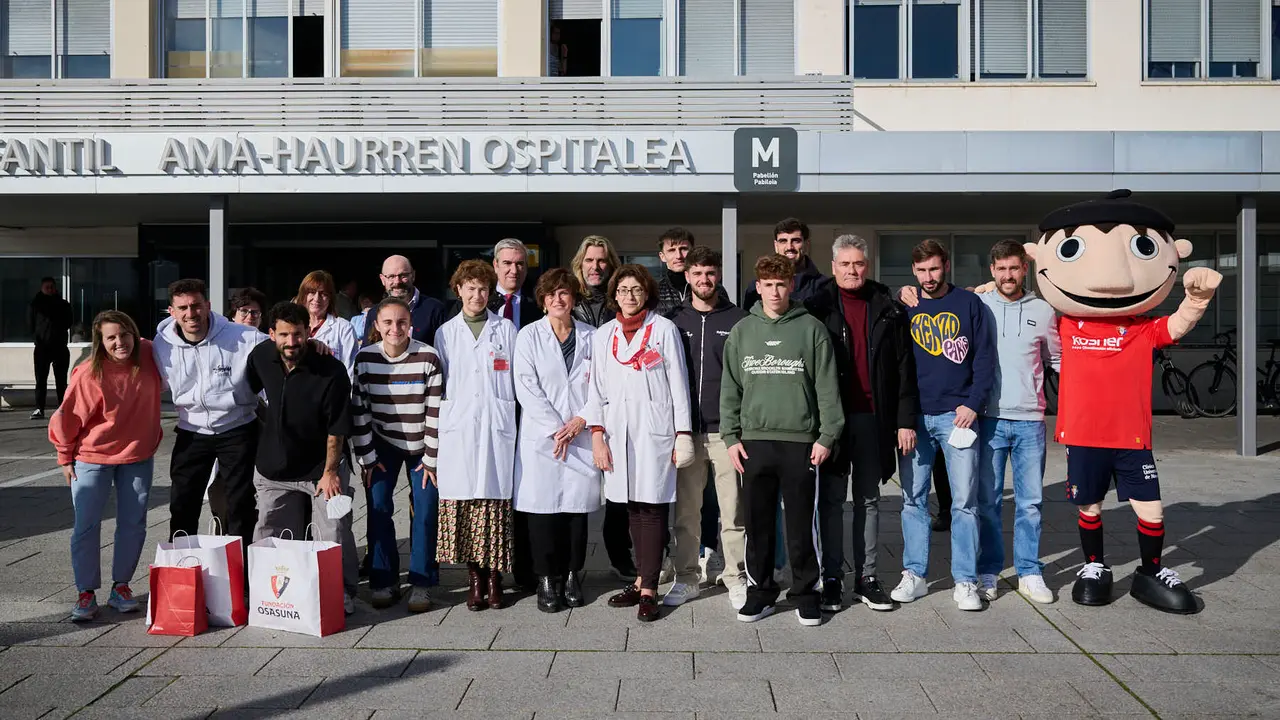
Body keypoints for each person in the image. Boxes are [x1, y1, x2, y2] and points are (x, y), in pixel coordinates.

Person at [1030, 190, 1219, 613]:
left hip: (1132, 437)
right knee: (1088, 504)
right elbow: (1021, 315)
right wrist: (989, 292)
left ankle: (1150, 570)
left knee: (1150, 509)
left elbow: (1176, 325)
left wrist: (1196, 300)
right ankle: (1094, 566)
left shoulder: (1142, 327)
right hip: (1083, 434)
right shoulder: (1062, 321)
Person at [720, 254, 843, 627]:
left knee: (802, 524)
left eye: (781, 284)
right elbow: (730, 388)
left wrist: (826, 436)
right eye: (768, 284)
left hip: (801, 443)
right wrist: (730, 436)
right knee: (757, 524)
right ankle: (761, 593)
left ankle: (807, 593)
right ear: (758, 287)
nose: (775, 291)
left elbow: (827, 387)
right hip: (754, 442)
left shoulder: (811, 329)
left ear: (791, 285)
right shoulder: (743, 331)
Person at [804, 235, 918, 614]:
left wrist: (904, 420)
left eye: (858, 264)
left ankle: (867, 577)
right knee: (833, 501)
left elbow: (904, 369)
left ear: (866, 266)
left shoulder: (887, 306)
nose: (852, 270)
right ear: (833, 266)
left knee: (869, 500)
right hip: (832, 421)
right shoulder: (816, 307)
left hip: (874, 418)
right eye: (845, 264)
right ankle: (832, 576)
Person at [892, 239, 995, 612]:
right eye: (921, 271)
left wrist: (973, 403)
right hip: (916, 420)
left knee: (965, 503)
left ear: (945, 266)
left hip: (958, 417)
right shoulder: (906, 306)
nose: (928, 277)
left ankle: (965, 581)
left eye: (933, 269)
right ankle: (915, 574)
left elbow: (984, 357)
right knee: (912, 499)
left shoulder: (969, 304)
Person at [588, 264, 692, 622]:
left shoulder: (663, 330)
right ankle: (639, 577)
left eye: (636, 290)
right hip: (618, 433)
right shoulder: (603, 335)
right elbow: (595, 390)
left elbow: (679, 385)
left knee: (652, 508)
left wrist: (682, 434)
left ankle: (649, 588)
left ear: (646, 293)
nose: (629, 296)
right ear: (614, 295)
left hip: (655, 433)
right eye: (622, 290)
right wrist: (597, 435)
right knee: (630, 507)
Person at [49, 311, 162, 622]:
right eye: (110, 337)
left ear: (134, 334)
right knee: (86, 526)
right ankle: (86, 592)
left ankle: (121, 587)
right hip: (91, 457)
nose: (119, 342)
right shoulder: (88, 373)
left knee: (133, 523)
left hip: (137, 456)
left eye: (124, 334)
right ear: (100, 342)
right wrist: (64, 456)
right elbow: (67, 416)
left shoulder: (150, 353)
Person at [246, 301, 357, 613]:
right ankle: (271, 592)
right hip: (273, 469)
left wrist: (331, 472)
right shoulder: (260, 357)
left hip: (321, 468)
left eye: (298, 334)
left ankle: (343, 591)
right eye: (284, 335)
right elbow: (252, 391)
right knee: (269, 531)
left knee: (333, 530)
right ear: (271, 335)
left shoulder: (331, 370)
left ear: (309, 332)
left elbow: (337, 428)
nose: (291, 342)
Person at [968, 240, 1062, 604]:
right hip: (989, 419)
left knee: (1030, 502)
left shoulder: (1043, 309)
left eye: (1014, 268)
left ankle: (1029, 571)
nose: (1008, 275)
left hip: (1029, 422)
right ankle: (988, 570)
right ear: (992, 271)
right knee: (987, 501)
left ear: (1025, 269)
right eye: (1001, 269)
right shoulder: (980, 305)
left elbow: (1057, 360)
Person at [153, 279, 264, 560]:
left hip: (237, 427)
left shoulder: (244, 338)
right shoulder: (161, 345)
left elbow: (286, 350)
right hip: (192, 430)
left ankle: (242, 572)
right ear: (171, 311)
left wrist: (314, 346)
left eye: (196, 305)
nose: (191, 313)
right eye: (183, 308)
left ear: (208, 306)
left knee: (238, 504)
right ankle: (182, 568)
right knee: (182, 503)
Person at [512, 268, 600, 613]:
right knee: (543, 512)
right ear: (543, 301)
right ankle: (547, 578)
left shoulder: (594, 336)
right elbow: (525, 385)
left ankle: (572, 574)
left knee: (576, 513)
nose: (558, 300)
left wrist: (579, 421)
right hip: (543, 438)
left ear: (574, 298)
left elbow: (603, 386)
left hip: (579, 435)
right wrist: (555, 427)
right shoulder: (529, 336)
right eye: (551, 295)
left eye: (564, 293)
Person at [434, 260, 519, 612]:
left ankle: (496, 579)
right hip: (459, 431)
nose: (477, 294)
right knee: (467, 506)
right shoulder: (445, 332)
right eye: (470, 287)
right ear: (459, 290)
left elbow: (516, 380)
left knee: (494, 506)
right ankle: (474, 579)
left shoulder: (507, 330)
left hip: (496, 428)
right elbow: (438, 386)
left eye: (483, 288)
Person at [667, 247, 749, 610]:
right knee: (686, 513)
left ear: (719, 276)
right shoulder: (672, 321)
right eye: (697, 273)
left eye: (710, 273)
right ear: (687, 277)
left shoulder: (738, 320)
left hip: (726, 433)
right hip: (686, 433)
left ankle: (735, 575)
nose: (704, 279)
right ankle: (687, 577)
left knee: (733, 512)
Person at [351, 297, 444, 613]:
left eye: (401, 322)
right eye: (387, 322)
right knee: (378, 506)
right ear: (376, 326)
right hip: (382, 444)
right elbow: (359, 411)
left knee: (426, 509)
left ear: (411, 325)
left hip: (422, 446)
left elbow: (435, 413)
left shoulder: (428, 357)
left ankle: (421, 582)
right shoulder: (364, 358)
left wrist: (431, 460)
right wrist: (366, 458)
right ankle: (383, 580)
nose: (395, 328)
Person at [569, 235, 638, 581]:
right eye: (589, 261)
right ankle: (571, 564)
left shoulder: (619, 305)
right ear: (580, 264)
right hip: (573, 409)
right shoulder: (568, 302)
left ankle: (619, 553)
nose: (595, 267)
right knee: (577, 488)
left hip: (613, 408)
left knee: (618, 489)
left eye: (601, 261)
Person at [483, 238, 545, 592]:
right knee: (492, 492)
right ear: (495, 265)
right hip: (491, 412)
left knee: (525, 491)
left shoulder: (538, 308)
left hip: (528, 413)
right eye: (507, 263)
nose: (513, 270)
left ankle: (525, 569)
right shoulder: (476, 303)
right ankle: (490, 573)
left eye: (520, 264)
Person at [201, 286, 269, 531]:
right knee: (224, 491)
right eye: (244, 311)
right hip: (226, 427)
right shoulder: (220, 346)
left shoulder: (268, 344)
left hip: (259, 424)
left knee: (250, 493)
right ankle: (225, 540)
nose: (251, 316)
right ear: (233, 315)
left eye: (256, 312)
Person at [359, 255, 447, 347]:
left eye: (403, 275)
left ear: (413, 276)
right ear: (383, 279)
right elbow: (366, 354)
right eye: (391, 276)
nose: (397, 282)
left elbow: (443, 351)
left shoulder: (435, 309)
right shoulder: (374, 313)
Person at [742, 218, 829, 311]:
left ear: (807, 244)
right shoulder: (757, 288)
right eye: (783, 241)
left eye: (796, 241)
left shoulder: (823, 286)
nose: (789, 247)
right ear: (776, 245)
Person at [296, 270, 360, 381]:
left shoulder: (343, 328)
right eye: (312, 292)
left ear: (330, 298)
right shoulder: (293, 326)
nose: (317, 298)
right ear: (303, 295)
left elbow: (350, 371)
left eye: (323, 294)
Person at [29, 276, 73, 420]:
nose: (49, 289)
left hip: (60, 347)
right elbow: (29, 323)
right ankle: (39, 408)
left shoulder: (63, 304)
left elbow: (69, 322)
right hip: (42, 348)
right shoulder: (35, 305)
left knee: (61, 380)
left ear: (55, 288)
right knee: (41, 380)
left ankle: (62, 408)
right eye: (46, 287)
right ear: (42, 288)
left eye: (51, 286)